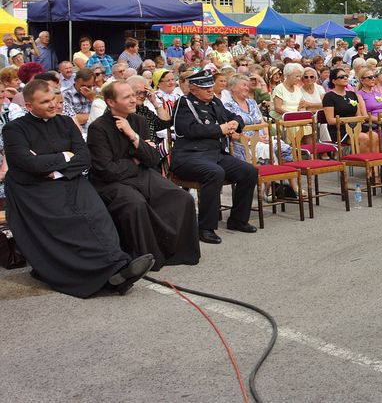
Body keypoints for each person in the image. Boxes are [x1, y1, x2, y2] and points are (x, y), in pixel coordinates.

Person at [2, 79, 155, 297]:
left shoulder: (65, 122)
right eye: (45, 102)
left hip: (70, 180)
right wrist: (65, 156)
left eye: (53, 99)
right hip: (34, 189)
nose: (53, 104)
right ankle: (103, 275)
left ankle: (117, 265)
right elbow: (28, 164)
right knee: (72, 221)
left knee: (96, 215)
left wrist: (54, 168)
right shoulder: (14, 129)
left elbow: (84, 158)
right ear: (28, 106)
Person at [87, 80, 200, 271]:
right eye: (127, 97)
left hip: (142, 174)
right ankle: (148, 257)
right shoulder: (98, 128)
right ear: (111, 102)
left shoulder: (138, 121)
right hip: (111, 183)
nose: (133, 100)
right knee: (136, 204)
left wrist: (133, 135)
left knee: (182, 198)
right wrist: (135, 160)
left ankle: (175, 251)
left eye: (133, 95)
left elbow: (152, 159)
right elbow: (106, 169)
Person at [170, 70, 259, 244]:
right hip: (189, 156)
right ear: (193, 89)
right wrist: (219, 129)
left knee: (249, 171)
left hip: (214, 154)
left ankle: (238, 220)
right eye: (205, 88)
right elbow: (188, 130)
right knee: (215, 173)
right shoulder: (184, 103)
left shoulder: (215, 102)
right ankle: (205, 228)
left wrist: (236, 123)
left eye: (211, 86)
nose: (210, 90)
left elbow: (234, 116)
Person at [322, 67, 378, 152]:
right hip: (340, 129)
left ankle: (375, 160)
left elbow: (358, 115)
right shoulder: (329, 96)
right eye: (341, 77)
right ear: (334, 81)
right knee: (363, 137)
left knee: (374, 136)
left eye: (346, 76)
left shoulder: (352, 94)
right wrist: (349, 120)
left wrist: (357, 119)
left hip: (355, 126)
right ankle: (364, 159)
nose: (345, 78)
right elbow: (330, 120)